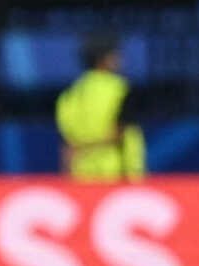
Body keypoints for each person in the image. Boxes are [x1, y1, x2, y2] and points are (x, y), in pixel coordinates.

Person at [57, 37, 143, 182]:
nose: (120, 60)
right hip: (117, 174)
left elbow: (67, 146)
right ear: (105, 59)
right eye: (116, 55)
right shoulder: (121, 90)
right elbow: (119, 134)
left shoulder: (69, 95)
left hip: (81, 176)